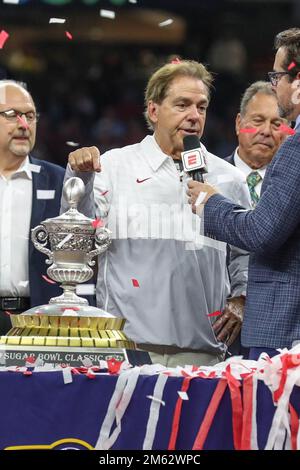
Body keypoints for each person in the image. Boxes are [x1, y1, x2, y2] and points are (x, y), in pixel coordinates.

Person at [62, 60, 250, 367]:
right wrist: (79, 178)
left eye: (201, 107)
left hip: (202, 352)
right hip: (126, 348)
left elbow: (245, 254)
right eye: (182, 105)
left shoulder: (228, 178)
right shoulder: (114, 167)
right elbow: (77, 241)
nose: (193, 116)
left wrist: (241, 298)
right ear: (153, 111)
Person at [187, 28, 300, 361]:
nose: (275, 83)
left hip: (284, 327)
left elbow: (262, 232)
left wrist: (211, 203)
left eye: (278, 75)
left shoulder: (295, 147)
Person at [0, 80, 65, 335]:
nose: (24, 125)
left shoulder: (60, 181)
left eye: (30, 115)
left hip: (40, 323)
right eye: (12, 115)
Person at [226, 81, 285, 208]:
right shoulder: (211, 177)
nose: (266, 131)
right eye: (258, 121)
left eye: (276, 124)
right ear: (238, 123)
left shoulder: (292, 186)